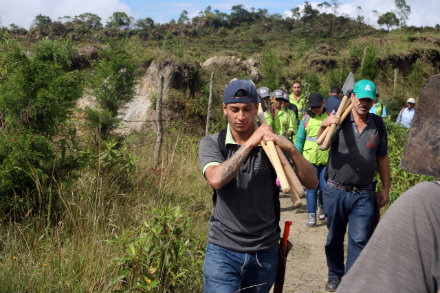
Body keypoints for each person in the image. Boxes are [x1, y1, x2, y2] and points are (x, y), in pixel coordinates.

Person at [199, 79, 318, 293]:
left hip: (264, 251)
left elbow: (311, 183)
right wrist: (251, 142)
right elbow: (216, 179)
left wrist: (291, 149)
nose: (241, 116)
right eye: (235, 109)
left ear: (257, 108)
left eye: (247, 109)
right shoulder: (212, 143)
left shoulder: (273, 146)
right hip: (223, 250)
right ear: (224, 109)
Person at [318, 79, 390, 292]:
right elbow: (321, 144)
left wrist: (386, 188)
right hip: (335, 190)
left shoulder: (377, 124)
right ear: (352, 98)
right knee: (334, 238)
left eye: (369, 100)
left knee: (359, 239)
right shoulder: (339, 121)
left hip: (364, 193)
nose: (364, 104)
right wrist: (326, 123)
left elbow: (382, 158)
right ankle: (334, 274)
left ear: (373, 101)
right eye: (361, 99)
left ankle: (352, 280)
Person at [295, 93, 329, 226]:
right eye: (313, 107)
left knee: (324, 187)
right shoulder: (306, 119)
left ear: (323, 104)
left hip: (326, 160)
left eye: (318, 107)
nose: (316, 109)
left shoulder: (329, 118)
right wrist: (296, 158)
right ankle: (311, 215)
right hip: (310, 160)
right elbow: (299, 140)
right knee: (311, 188)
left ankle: (321, 206)